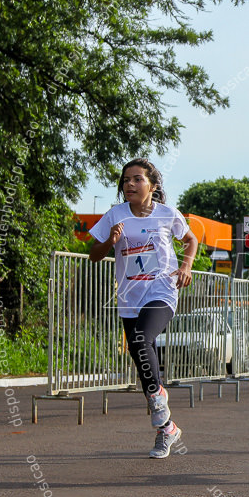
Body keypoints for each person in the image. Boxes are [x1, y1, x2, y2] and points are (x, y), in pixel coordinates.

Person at [89, 158, 198, 458]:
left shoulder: (167, 214)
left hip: (162, 291)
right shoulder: (115, 215)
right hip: (130, 298)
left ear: (152, 185)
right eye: (126, 180)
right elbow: (93, 255)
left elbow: (191, 240)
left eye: (137, 179)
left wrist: (186, 265)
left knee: (141, 337)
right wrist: (111, 240)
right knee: (141, 357)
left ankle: (158, 397)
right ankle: (168, 429)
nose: (130, 185)